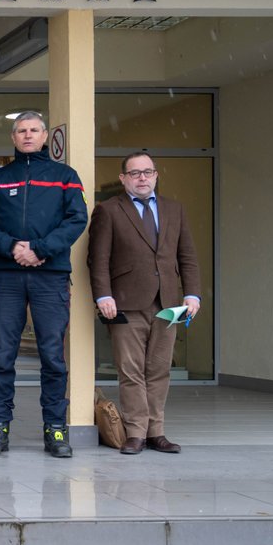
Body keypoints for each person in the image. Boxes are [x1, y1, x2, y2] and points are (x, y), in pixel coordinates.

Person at [0, 111, 88, 458]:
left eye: (33, 130)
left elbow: (77, 219)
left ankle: (56, 429)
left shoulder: (65, 177)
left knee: (53, 357)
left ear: (44, 137)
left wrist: (39, 249)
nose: (27, 136)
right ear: (13, 137)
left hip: (49, 276)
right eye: (21, 131)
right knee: (3, 356)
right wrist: (12, 247)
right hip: (7, 277)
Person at [88, 152, 200, 455]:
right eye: (135, 173)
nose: (142, 178)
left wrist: (193, 294)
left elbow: (187, 256)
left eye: (147, 172)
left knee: (159, 370)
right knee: (131, 370)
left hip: (168, 304)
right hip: (125, 302)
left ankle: (156, 432)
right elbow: (98, 259)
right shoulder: (109, 210)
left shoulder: (174, 209)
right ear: (123, 178)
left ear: (156, 175)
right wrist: (103, 296)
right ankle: (135, 432)